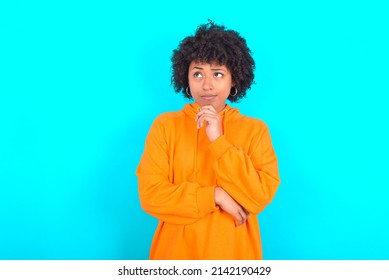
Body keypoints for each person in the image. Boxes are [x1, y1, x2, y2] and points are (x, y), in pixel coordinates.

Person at [136, 21, 280, 260]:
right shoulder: (165, 126)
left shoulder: (255, 131)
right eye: (198, 73)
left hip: (233, 257)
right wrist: (214, 195)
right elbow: (151, 195)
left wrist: (218, 140)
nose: (207, 84)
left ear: (234, 79)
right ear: (186, 77)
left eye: (218, 74)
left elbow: (259, 197)